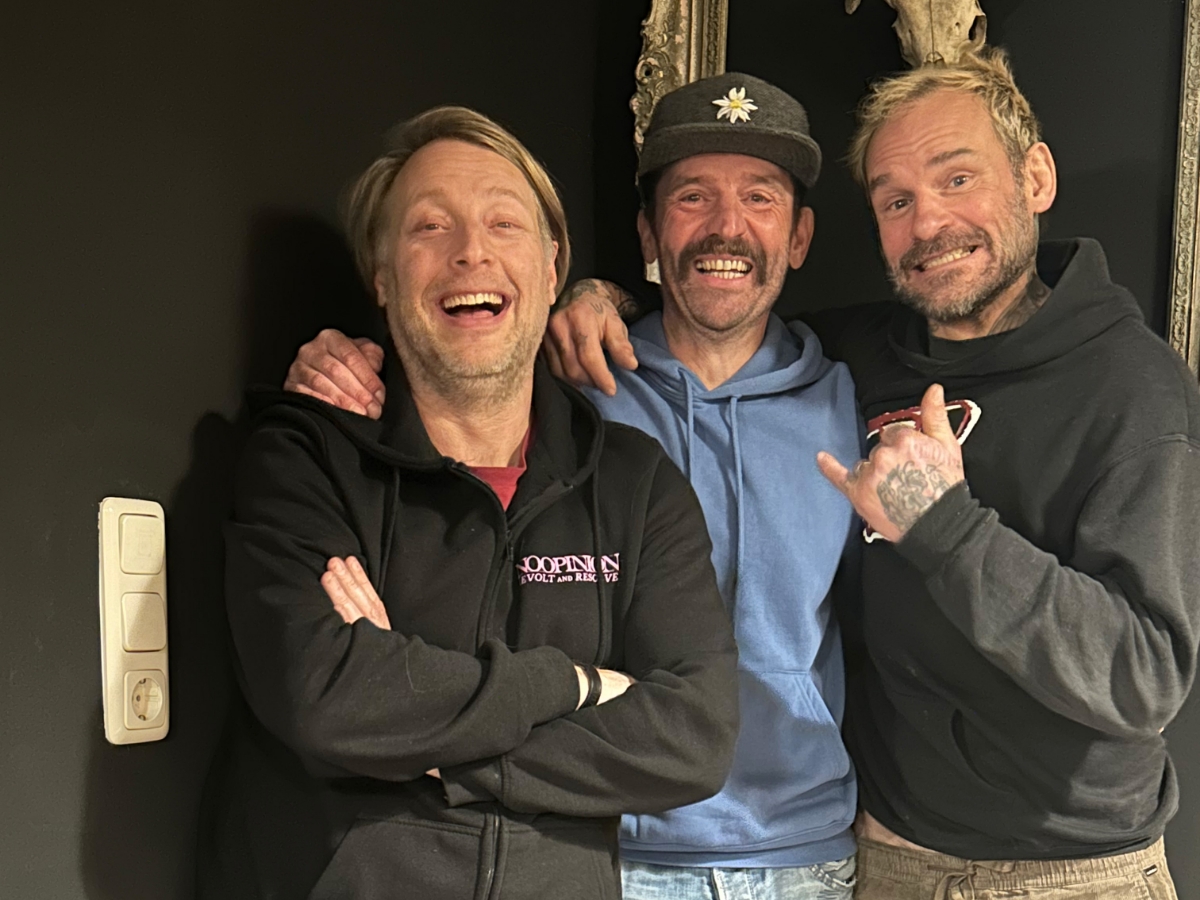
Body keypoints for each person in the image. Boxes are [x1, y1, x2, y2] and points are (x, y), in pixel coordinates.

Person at [456, 50, 1200, 898]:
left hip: (1056, 869)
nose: (929, 223)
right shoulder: (855, 357)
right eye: (896, 200)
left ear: (1035, 177)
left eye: (957, 179)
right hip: (858, 856)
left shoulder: (1128, 388)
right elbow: (721, 302)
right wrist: (591, 297)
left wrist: (945, 526)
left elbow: (1147, 676)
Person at [285, 74, 864, 899]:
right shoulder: (571, 385)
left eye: (760, 198)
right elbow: (456, 350)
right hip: (602, 846)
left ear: (800, 236)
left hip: (803, 854)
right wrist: (345, 362)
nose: (727, 226)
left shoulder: (855, 397)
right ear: (648, 232)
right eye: (692, 196)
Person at [208, 105, 739, 900]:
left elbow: (693, 738)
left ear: (553, 268)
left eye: (503, 222)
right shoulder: (306, 458)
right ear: (381, 274)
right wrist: (574, 685)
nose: (471, 252)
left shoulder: (635, 483)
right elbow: (326, 702)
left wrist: (421, 733)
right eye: (430, 227)